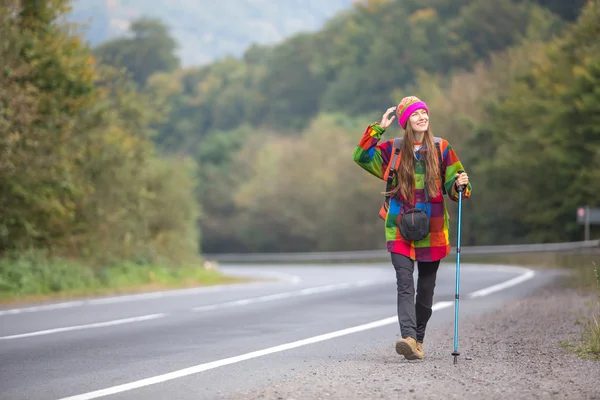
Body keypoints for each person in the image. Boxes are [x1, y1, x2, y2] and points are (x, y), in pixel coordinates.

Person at [353, 96, 471, 360]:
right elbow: (360, 156)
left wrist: (461, 183)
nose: (422, 117)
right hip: (398, 228)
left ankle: (417, 340)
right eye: (416, 114)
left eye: (424, 113)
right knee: (405, 283)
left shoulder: (442, 148)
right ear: (407, 122)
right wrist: (377, 130)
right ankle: (407, 337)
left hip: (434, 228)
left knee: (426, 288)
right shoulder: (392, 151)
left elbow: (457, 185)